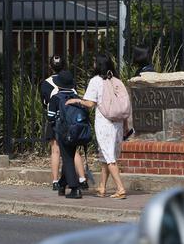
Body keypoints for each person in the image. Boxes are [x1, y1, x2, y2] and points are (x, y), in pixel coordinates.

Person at [66, 54, 128, 199]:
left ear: (98, 65)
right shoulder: (117, 81)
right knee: (105, 157)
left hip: (104, 123)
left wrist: (76, 100)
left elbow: (90, 103)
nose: (93, 64)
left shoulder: (96, 81)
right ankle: (102, 187)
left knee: (109, 158)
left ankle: (120, 188)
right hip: (117, 123)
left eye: (94, 62)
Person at [40, 55, 87, 191]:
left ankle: (55, 181)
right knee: (74, 150)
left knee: (55, 150)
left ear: (50, 67)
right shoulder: (70, 82)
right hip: (71, 122)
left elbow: (44, 102)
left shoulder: (46, 83)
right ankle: (82, 178)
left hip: (56, 121)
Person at [46, 70, 83, 199]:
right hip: (76, 131)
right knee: (70, 155)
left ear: (59, 84)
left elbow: (50, 117)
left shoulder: (55, 98)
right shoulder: (76, 97)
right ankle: (62, 185)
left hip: (62, 132)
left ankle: (74, 188)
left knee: (67, 159)